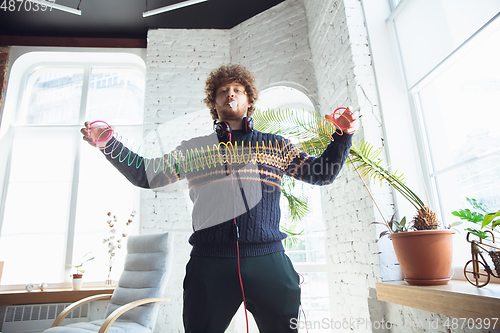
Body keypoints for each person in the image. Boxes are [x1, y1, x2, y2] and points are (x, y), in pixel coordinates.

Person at [81, 64, 359, 333]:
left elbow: (320, 175)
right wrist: (109, 143)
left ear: (249, 101)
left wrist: (342, 135)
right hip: (209, 263)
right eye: (223, 90)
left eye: (238, 89)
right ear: (214, 104)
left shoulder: (277, 145)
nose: (230, 93)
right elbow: (146, 175)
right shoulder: (194, 149)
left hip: (269, 260)